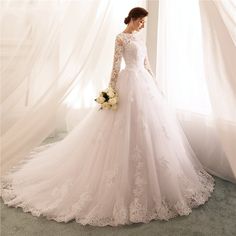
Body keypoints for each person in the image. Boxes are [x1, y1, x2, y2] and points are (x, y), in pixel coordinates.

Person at [1, 7, 214, 227]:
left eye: (144, 23)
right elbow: (114, 67)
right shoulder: (120, 38)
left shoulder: (141, 41)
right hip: (127, 84)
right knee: (121, 130)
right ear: (133, 18)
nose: (142, 25)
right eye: (141, 21)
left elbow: (147, 65)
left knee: (151, 131)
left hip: (144, 86)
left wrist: (157, 86)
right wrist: (109, 94)